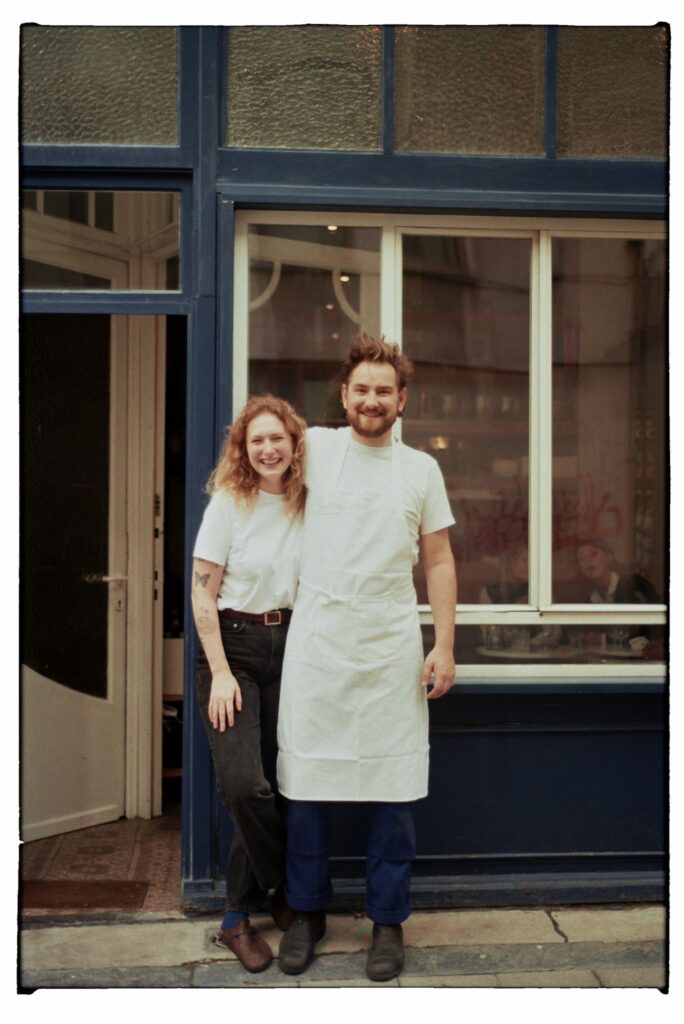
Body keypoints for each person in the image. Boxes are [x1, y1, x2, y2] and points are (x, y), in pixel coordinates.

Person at [276, 334, 457, 982]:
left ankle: (388, 922)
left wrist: (445, 644)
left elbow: (437, 558)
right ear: (345, 396)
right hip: (321, 640)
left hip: (388, 646)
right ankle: (306, 914)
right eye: (362, 390)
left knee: (392, 792)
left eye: (384, 390)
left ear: (401, 399)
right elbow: (255, 449)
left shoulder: (421, 471)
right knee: (306, 792)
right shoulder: (317, 449)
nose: (372, 400)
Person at [191, 395, 306, 973]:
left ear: (293, 444)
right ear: (243, 447)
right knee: (244, 786)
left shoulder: (308, 503)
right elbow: (201, 592)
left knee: (283, 781)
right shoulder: (228, 505)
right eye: (256, 440)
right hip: (232, 648)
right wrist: (218, 673)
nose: (267, 448)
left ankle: (236, 915)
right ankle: (284, 886)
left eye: (277, 438)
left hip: (293, 647)